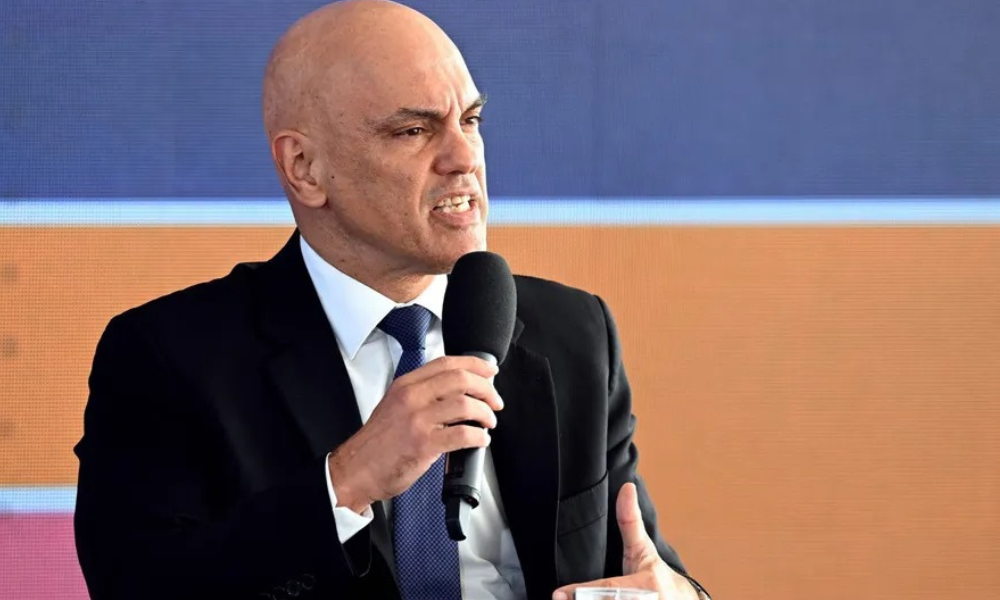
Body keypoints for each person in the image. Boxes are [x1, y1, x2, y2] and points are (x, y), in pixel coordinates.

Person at [73, 1, 710, 599]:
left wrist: (680, 594)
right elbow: (140, 585)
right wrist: (345, 481)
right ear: (305, 168)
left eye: (470, 120)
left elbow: (645, 565)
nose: (464, 157)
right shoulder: (168, 356)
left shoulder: (572, 331)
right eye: (413, 130)